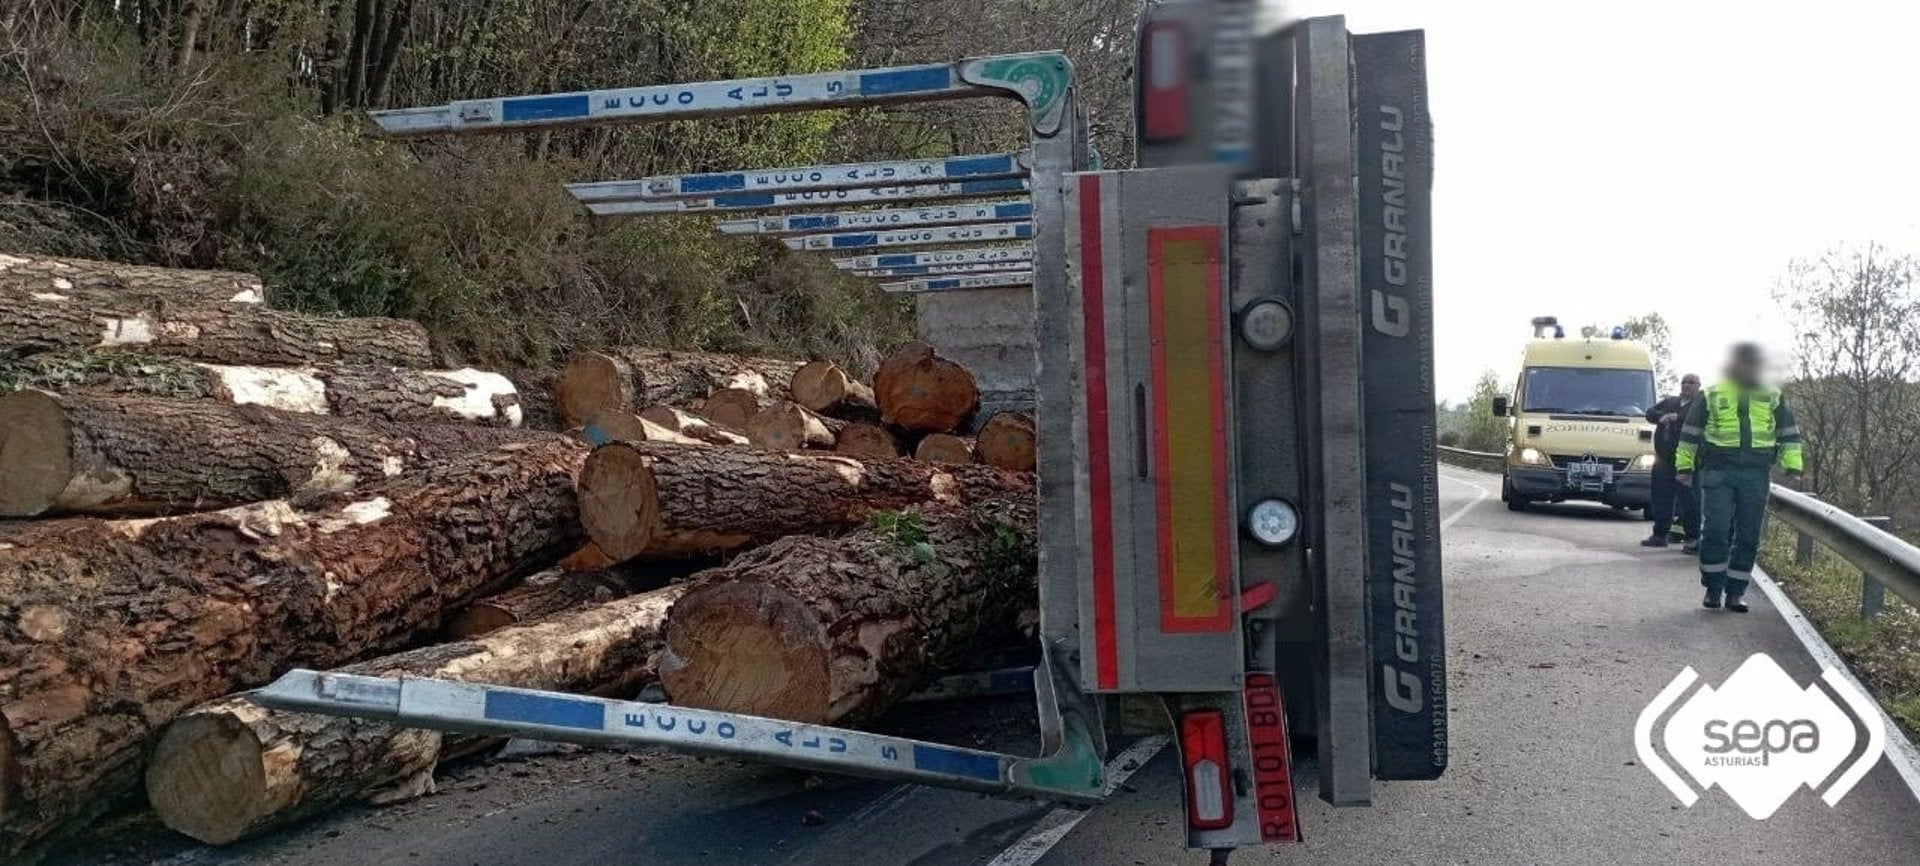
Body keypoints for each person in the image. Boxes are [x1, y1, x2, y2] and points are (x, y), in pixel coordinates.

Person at [1675, 344, 1804, 612]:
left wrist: (1793, 468)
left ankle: (1735, 592)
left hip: (1755, 473)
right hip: (1718, 470)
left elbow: (1788, 433)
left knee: (1748, 534)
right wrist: (1684, 468)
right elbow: (1690, 434)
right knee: (1716, 530)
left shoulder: (1772, 395)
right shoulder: (1711, 394)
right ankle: (1713, 588)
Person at [1641, 374, 1703, 550]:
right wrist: (1664, 416)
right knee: (1661, 497)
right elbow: (1650, 413)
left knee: (1689, 501)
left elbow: (1705, 424)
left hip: (1687, 462)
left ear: (1699, 386)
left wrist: (1677, 418)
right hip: (1663, 460)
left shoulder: (1700, 406)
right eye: (1684, 382)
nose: (1687, 385)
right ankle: (1659, 535)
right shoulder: (1670, 402)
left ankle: (1693, 538)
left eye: (1691, 383)